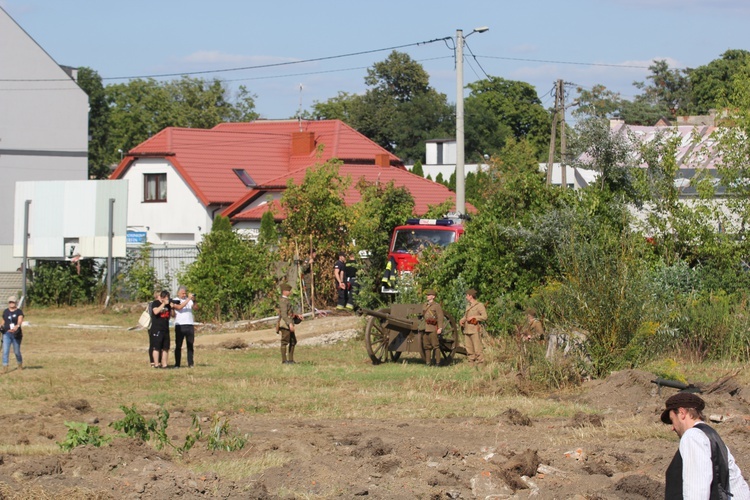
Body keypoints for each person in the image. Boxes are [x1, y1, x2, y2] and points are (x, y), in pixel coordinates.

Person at [661, 392, 750, 499]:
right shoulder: (713, 437)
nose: (673, 428)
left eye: (672, 420)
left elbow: (697, 489)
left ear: (682, 413)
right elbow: (737, 486)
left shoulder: (692, 437)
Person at [459, 288, 487, 366]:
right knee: (469, 348)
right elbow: (466, 316)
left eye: (467, 295)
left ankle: (480, 363)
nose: (466, 297)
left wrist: (474, 317)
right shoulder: (468, 306)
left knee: (477, 348)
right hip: (467, 330)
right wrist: (462, 320)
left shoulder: (479, 305)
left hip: (475, 329)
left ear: (471, 296)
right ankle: (471, 363)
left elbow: (484, 316)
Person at [172, 286, 197, 368]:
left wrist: (194, 300)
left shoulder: (189, 300)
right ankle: (177, 364)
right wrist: (188, 299)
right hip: (180, 325)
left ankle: (190, 363)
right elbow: (179, 307)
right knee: (178, 345)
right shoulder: (175, 300)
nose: (184, 295)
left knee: (190, 344)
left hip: (189, 324)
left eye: (185, 293)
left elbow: (196, 308)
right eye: (182, 293)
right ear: (178, 293)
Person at [278, 283, 301, 364]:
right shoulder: (283, 301)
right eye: (288, 290)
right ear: (284, 291)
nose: (290, 292)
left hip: (289, 323)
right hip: (285, 325)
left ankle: (291, 360)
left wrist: (297, 316)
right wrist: (289, 324)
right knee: (284, 342)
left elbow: (289, 313)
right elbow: (284, 314)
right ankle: (284, 361)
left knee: (293, 341)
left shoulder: (286, 300)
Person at [421, 289, 444, 366]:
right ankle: (428, 362)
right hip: (425, 328)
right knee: (426, 346)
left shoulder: (436, 306)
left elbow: (440, 317)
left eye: (429, 295)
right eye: (427, 295)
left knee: (435, 346)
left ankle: (438, 362)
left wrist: (440, 328)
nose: (427, 296)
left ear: (433, 296)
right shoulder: (424, 305)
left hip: (432, 328)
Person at [149, 290, 172, 368]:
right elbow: (155, 312)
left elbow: (171, 315)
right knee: (157, 347)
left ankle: (164, 364)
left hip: (165, 328)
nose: (167, 299)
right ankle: (156, 364)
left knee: (166, 347)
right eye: (165, 297)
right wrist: (163, 304)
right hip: (157, 328)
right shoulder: (155, 303)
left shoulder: (168, 305)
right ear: (162, 297)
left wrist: (172, 306)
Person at [2, 295, 24, 373]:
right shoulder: (6, 311)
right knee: (5, 351)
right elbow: (4, 320)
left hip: (16, 334)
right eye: (10, 302)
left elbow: (20, 320)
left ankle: (19, 364)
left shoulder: (19, 311)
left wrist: (17, 326)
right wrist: (1, 326)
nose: (11, 303)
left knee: (16, 351)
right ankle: (5, 367)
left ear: (15, 303)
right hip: (7, 333)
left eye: (13, 302)